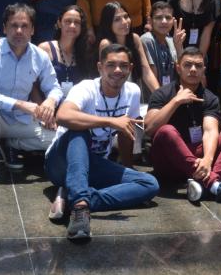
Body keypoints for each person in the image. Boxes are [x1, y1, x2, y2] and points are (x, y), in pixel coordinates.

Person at [45, 43, 159, 241]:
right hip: (61, 162)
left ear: (130, 69)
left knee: (149, 184)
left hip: (95, 165)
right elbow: (62, 116)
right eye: (111, 65)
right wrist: (110, 121)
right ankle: (80, 209)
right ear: (100, 67)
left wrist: (127, 168)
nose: (117, 70)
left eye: (123, 66)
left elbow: (126, 131)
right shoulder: (86, 88)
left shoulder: (132, 91)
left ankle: (74, 196)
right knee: (79, 132)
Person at [146, 47, 221, 205]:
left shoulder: (210, 98)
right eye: (188, 65)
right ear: (178, 68)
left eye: (198, 65)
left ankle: (203, 183)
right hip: (169, 161)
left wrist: (208, 159)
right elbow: (149, 129)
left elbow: (210, 131)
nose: (193, 69)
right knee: (166, 131)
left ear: (204, 70)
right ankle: (213, 184)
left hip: (199, 157)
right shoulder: (162, 94)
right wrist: (175, 101)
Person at [0, 4, 62, 182]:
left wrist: (50, 102)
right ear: (4, 28)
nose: (19, 31)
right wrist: (20, 104)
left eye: (24, 26)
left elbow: (54, 87)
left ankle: (12, 144)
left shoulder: (40, 56)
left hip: (21, 120)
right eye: (14, 25)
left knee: (59, 137)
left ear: (32, 30)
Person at [38, 6, 93, 98]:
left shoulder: (84, 53)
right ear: (59, 23)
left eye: (77, 22)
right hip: (46, 104)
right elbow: (33, 84)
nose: (72, 26)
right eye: (68, 21)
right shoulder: (45, 49)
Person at [96, 1, 153, 86]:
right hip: (114, 90)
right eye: (117, 19)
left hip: (134, 89)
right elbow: (106, 77)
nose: (125, 22)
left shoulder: (135, 39)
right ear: (108, 24)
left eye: (126, 17)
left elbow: (146, 71)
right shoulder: (106, 44)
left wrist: (159, 92)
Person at [139, 1, 186, 97]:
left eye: (168, 18)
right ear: (150, 21)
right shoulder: (147, 40)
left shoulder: (172, 40)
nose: (164, 21)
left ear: (173, 21)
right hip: (154, 98)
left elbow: (183, 72)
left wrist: (179, 47)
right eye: (159, 17)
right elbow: (151, 74)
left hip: (171, 95)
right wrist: (162, 99)